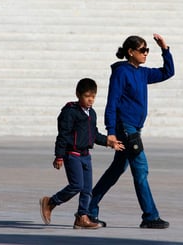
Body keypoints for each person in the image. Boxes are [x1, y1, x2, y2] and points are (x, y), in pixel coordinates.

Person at [88, 33, 175, 229]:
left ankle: (87, 209)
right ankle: (150, 216)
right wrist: (110, 131)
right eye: (143, 50)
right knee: (141, 170)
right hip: (125, 128)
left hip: (135, 128)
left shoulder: (142, 73)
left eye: (147, 50)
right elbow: (112, 102)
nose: (146, 54)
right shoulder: (121, 72)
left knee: (116, 170)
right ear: (131, 52)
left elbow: (168, 72)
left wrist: (164, 49)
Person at [39, 78, 124, 229]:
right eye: (87, 96)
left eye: (93, 96)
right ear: (78, 94)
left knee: (87, 190)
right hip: (72, 154)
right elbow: (63, 135)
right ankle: (51, 202)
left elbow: (94, 135)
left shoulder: (92, 113)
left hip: (86, 156)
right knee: (76, 185)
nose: (90, 100)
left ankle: (81, 218)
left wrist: (109, 142)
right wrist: (59, 156)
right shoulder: (70, 112)